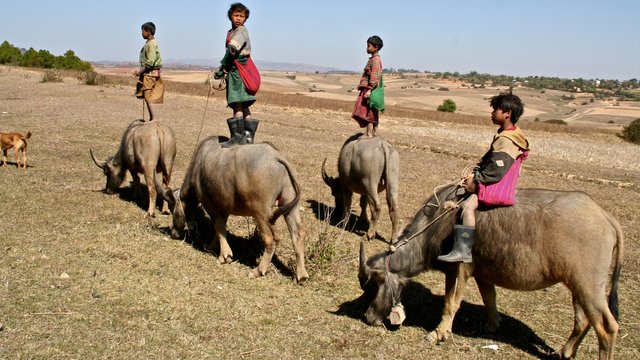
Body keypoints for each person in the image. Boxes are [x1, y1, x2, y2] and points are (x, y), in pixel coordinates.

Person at [438, 93, 530, 263]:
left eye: (496, 109)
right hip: (497, 180)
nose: (492, 113)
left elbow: (496, 169)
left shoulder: (506, 139)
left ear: (507, 113)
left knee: (467, 206)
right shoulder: (513, 133)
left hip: (496, 186)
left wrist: (476, 181)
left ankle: (463, 250)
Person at [214, 2, 260, 147]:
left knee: (236, 104)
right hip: (240, 70)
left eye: (242, 16)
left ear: (246, 18)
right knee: (244, 104)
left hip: (238, 73)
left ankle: (237, 138)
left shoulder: (240, 31)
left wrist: (222, 67)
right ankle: (248, 137)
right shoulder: (232, 31)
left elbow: (233, 50)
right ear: (230, 16)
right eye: (236, 15)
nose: (239, 18)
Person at [352, 35, 383, 139]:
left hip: (370, 89)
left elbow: (375, 76)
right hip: (369, 88)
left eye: (369, 46)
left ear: (376, 47)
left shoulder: (375, 60)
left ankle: (369, 133)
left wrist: (369, 90)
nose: (367, 48)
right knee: (371, 111)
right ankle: (373, 133)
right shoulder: (373, 59)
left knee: (368, 111)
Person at [134, 22, 164, 122]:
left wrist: (139, 72)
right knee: (147, 94)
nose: (141, 33)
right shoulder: (150, 43)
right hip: (148, 73)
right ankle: (152, 117)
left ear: (148, 32)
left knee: (147, 94)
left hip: (150, 74)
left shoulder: (151, 45)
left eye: (142, 31)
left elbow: (149, 63)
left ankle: (154, 118)